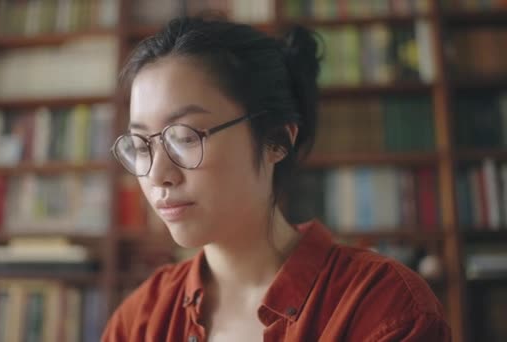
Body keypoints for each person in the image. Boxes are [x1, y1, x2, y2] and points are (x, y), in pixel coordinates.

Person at [102, 16, 451, 342]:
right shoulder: (140, 320)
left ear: (277, 141)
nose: (158, 175)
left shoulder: (383, 307)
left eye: (186, 137)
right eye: (141, 144)